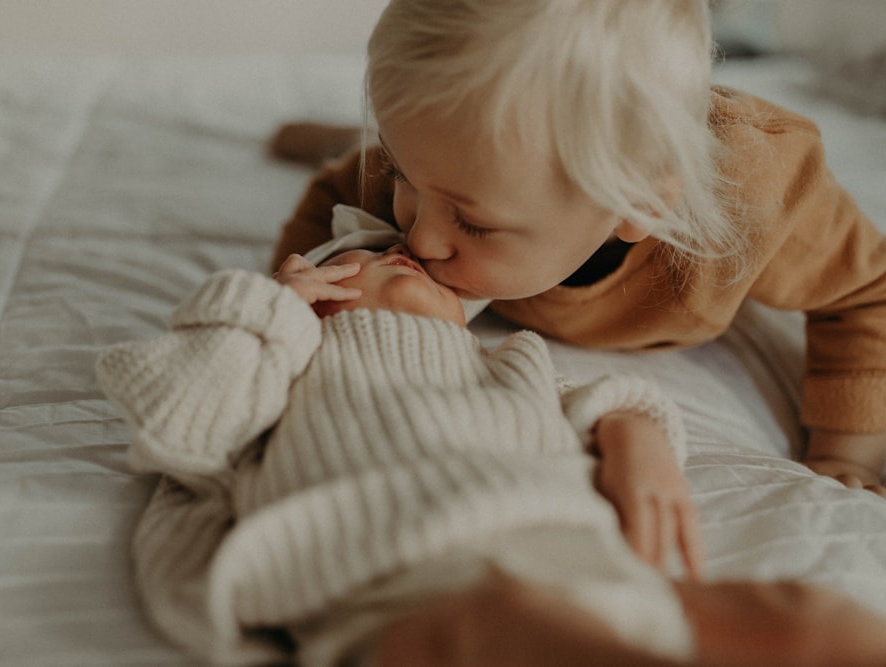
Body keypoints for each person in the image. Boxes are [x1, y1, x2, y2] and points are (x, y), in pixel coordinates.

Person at [97, 231, 886, 666]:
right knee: (504, 624)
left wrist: (634, 430)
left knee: (815, 622)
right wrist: (269, 311)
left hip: (582, 567)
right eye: (362, 255)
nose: (398, 251)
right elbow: (179, 418)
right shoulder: (288, 359)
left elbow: (601, 400)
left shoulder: (509, 358)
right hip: (410, 586)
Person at [268, 0, 886, 496]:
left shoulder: (763, 197)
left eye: (474, 223)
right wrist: (297, 306)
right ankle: (355, 139)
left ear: (639, 205)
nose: (421, 238)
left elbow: (867, 289)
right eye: (403, 175)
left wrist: (842, 448)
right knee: (408, 161)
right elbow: (335, 197)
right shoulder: (440, 177)